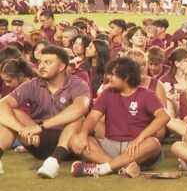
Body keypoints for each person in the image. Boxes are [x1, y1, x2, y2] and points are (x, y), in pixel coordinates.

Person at [68, 57, 169, 177]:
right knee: (74, 140)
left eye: (113, 74)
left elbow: (164, 117)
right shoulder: (107, 93)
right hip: (111, 145)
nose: (108, 77)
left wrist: (140, 138)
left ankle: (102, 168)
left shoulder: (147, 95)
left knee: (154, 143)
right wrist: (83, 134)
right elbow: (93, 117)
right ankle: (120, 168)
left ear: (126, 77)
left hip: (137, 147)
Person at [0, 46, 91, 178]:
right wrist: (23, 130)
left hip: (70, 144)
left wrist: (40, 126)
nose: (41, 66)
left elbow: (80, 108)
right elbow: (3, 105)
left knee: (78, 117)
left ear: (61, 67)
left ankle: (54, 162)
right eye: (40, 62)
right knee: (10, 112)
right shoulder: (32, 84)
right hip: (37, 141)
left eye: (47, 62)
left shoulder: (78, 84)